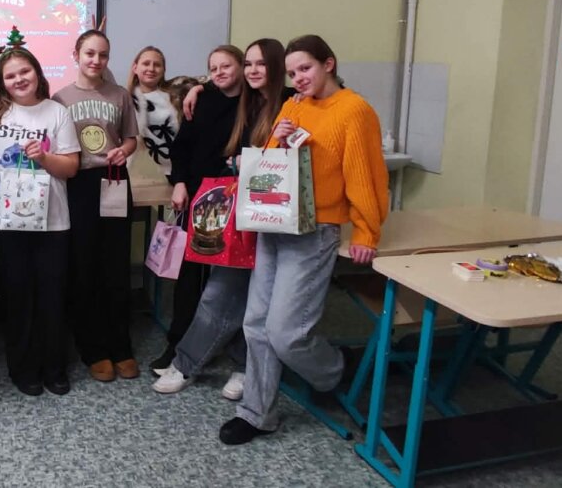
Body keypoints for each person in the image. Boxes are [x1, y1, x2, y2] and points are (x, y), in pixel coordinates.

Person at [221, 34, 388, 445]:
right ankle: (257, 413)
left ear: (328, 64)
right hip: (275, 221)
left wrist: (367, 231)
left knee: (287, 333)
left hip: (315, 229)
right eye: (293, 72)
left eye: (306, 69)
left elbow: (365, 175)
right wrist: (277, 137)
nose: (298, 78)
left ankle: (335, 369)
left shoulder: (354, 110)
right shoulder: (295, 104)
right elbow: (270, 161)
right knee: (256, 324)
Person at [153, 39, 288, 400]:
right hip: (224, 203)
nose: (253, 71)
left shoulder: (289, 101)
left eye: (259, 64)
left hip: (272, 211)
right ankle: (185, 358)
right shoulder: (229, 100)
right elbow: (191, 144)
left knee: (256, 297)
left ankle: (244, 365)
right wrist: (199, 87)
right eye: (213, 69)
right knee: (217, 290)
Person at [0, 48, 80, 396]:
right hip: (7, 221)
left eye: (25, 71)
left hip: (51, 222)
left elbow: (71, 168)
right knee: (18, 295)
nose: (19, 79)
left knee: (52, 295)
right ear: (2, 82)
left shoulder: (56, 112)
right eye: (10, 75)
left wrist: (45, 157)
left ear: (37, 72)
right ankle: (23, 368)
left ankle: (54, 367)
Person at [53, 30, 140, 382]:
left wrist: (124, 150)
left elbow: (131, 138)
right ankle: (92, 348)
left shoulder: (120, 95)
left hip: (114, 180)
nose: (96, 60)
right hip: (79, 185)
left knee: (116, 267)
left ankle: (120, 345)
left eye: (103, 55)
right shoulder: (60, 98)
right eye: (89, 53)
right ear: (76, 54)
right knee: (84, 267)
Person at [154, 45, 245, 374]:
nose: (219, 73)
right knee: (188, 276)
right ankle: (178, 344)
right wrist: (179, 182)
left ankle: (227, 347)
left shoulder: (257, 101)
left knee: (228, 280)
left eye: (226, 66)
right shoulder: (203, 99)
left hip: (234, 200)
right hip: (197, 196)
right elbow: (181, 148)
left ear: (242, 67)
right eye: (213, 68)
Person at [128, 46, 179, 176]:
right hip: (167, 170)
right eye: (146, 64)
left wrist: (196, 90)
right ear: (135, 68)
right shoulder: (128, 101)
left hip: (192, 161)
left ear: (163, 70)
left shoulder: (176, 96)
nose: (151, 69)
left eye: (157, 65)